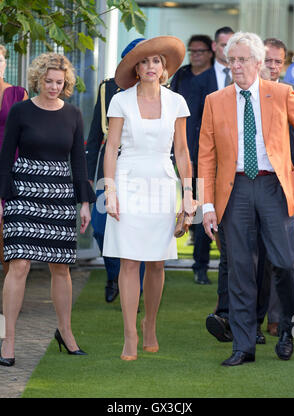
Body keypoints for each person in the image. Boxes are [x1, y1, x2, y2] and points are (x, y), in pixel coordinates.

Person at [198, 31, 294, 366]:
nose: (236, 65)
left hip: (273, 187)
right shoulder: (215, 101)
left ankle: (289, 328)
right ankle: (243, 346)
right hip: (235, 190)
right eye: (232, 59)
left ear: (259, 63)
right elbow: (206, 157)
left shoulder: (282, 94)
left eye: (243, 59)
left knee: (286, 263)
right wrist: (207, 205)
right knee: (240, 270)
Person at [0, 52, 96, 367]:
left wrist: (84, 203)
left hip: (59, 194)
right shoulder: (20, 111)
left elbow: (79, 161)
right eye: (49, 81)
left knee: (61, 267)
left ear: (65, 83)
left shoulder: (73, 115)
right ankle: (9, 340)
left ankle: (66, 333)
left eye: (60, 82)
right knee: (20, 265)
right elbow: (5, 156)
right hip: (23, 192)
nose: (54, 86)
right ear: (38, 80)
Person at [103, 36, 194, 361]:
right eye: (144, 62)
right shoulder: (120, 101)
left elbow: (182, 152)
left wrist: (188, 193)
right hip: (127, 182)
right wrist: (109, 190)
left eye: (156, 61)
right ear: (136, 68)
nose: (151, 67)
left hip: (161, 182)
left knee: (156, 261)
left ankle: (150, 324)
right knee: (129, 261)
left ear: (165, 67)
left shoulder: (177, 102)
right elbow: (111, 148)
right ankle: (129, 333)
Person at [86, 39, 145, 304]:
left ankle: (136, 290)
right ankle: (113, 275)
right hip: (108, 168)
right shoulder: (108, 88)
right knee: (100, 228)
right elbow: (95, 134)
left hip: (143, 171)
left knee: (141, 231)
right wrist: (88, 177)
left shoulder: (162, 90)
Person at [189, 27, 234, 285]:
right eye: (222, 44)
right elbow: (191, 123)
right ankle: (200, 265)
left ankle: (227, 264)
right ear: (214, 47)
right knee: (201, 210)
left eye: (231, 44)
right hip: (203, 157)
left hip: (233, 160)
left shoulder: (243, 79)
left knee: (228, 212)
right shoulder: (198, 81)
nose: (226, 49)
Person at [263, 38, 294, 337]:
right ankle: (249, 322)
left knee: (284, 261)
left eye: (278, 61)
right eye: (268, 60)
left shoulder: (291, 95)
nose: (273, 66)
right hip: (243, 191)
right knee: (249, 262)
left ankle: (282, 321)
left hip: (283, 191)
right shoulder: (235, 97)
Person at [171, 35, 213, 246]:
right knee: (188, 187)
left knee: (203, 191)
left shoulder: (215, 75)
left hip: (207, 144)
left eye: (200, 51)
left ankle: (201, 237)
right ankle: (191, 229)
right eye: (192, 51)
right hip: (184, 142)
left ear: (210, 53)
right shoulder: (182, 74)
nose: (195, 55)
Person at [0, 44, 28, 277]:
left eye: (0, 60)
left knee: (8, 238)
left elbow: (27, 133)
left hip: (12, 169)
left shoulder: (18, 94)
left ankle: (7, 299)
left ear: (5, 63)